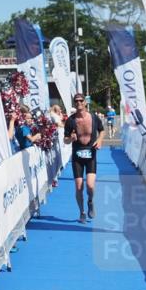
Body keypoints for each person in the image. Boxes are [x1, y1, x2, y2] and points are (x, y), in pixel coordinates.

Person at [64, 93, 104, 223]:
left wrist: (100, 140)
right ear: (74, 103)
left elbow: (102, 130)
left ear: (85, 103)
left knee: (90, 186)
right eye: (76, 101)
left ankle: (90, 201)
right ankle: (81, 212)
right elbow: (65, 140)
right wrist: (71, 138)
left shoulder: (93, 117)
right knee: (79, 187)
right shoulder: (70, 120)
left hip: (91, 154)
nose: (79, 103)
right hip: (77, 156)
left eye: (81, 100)